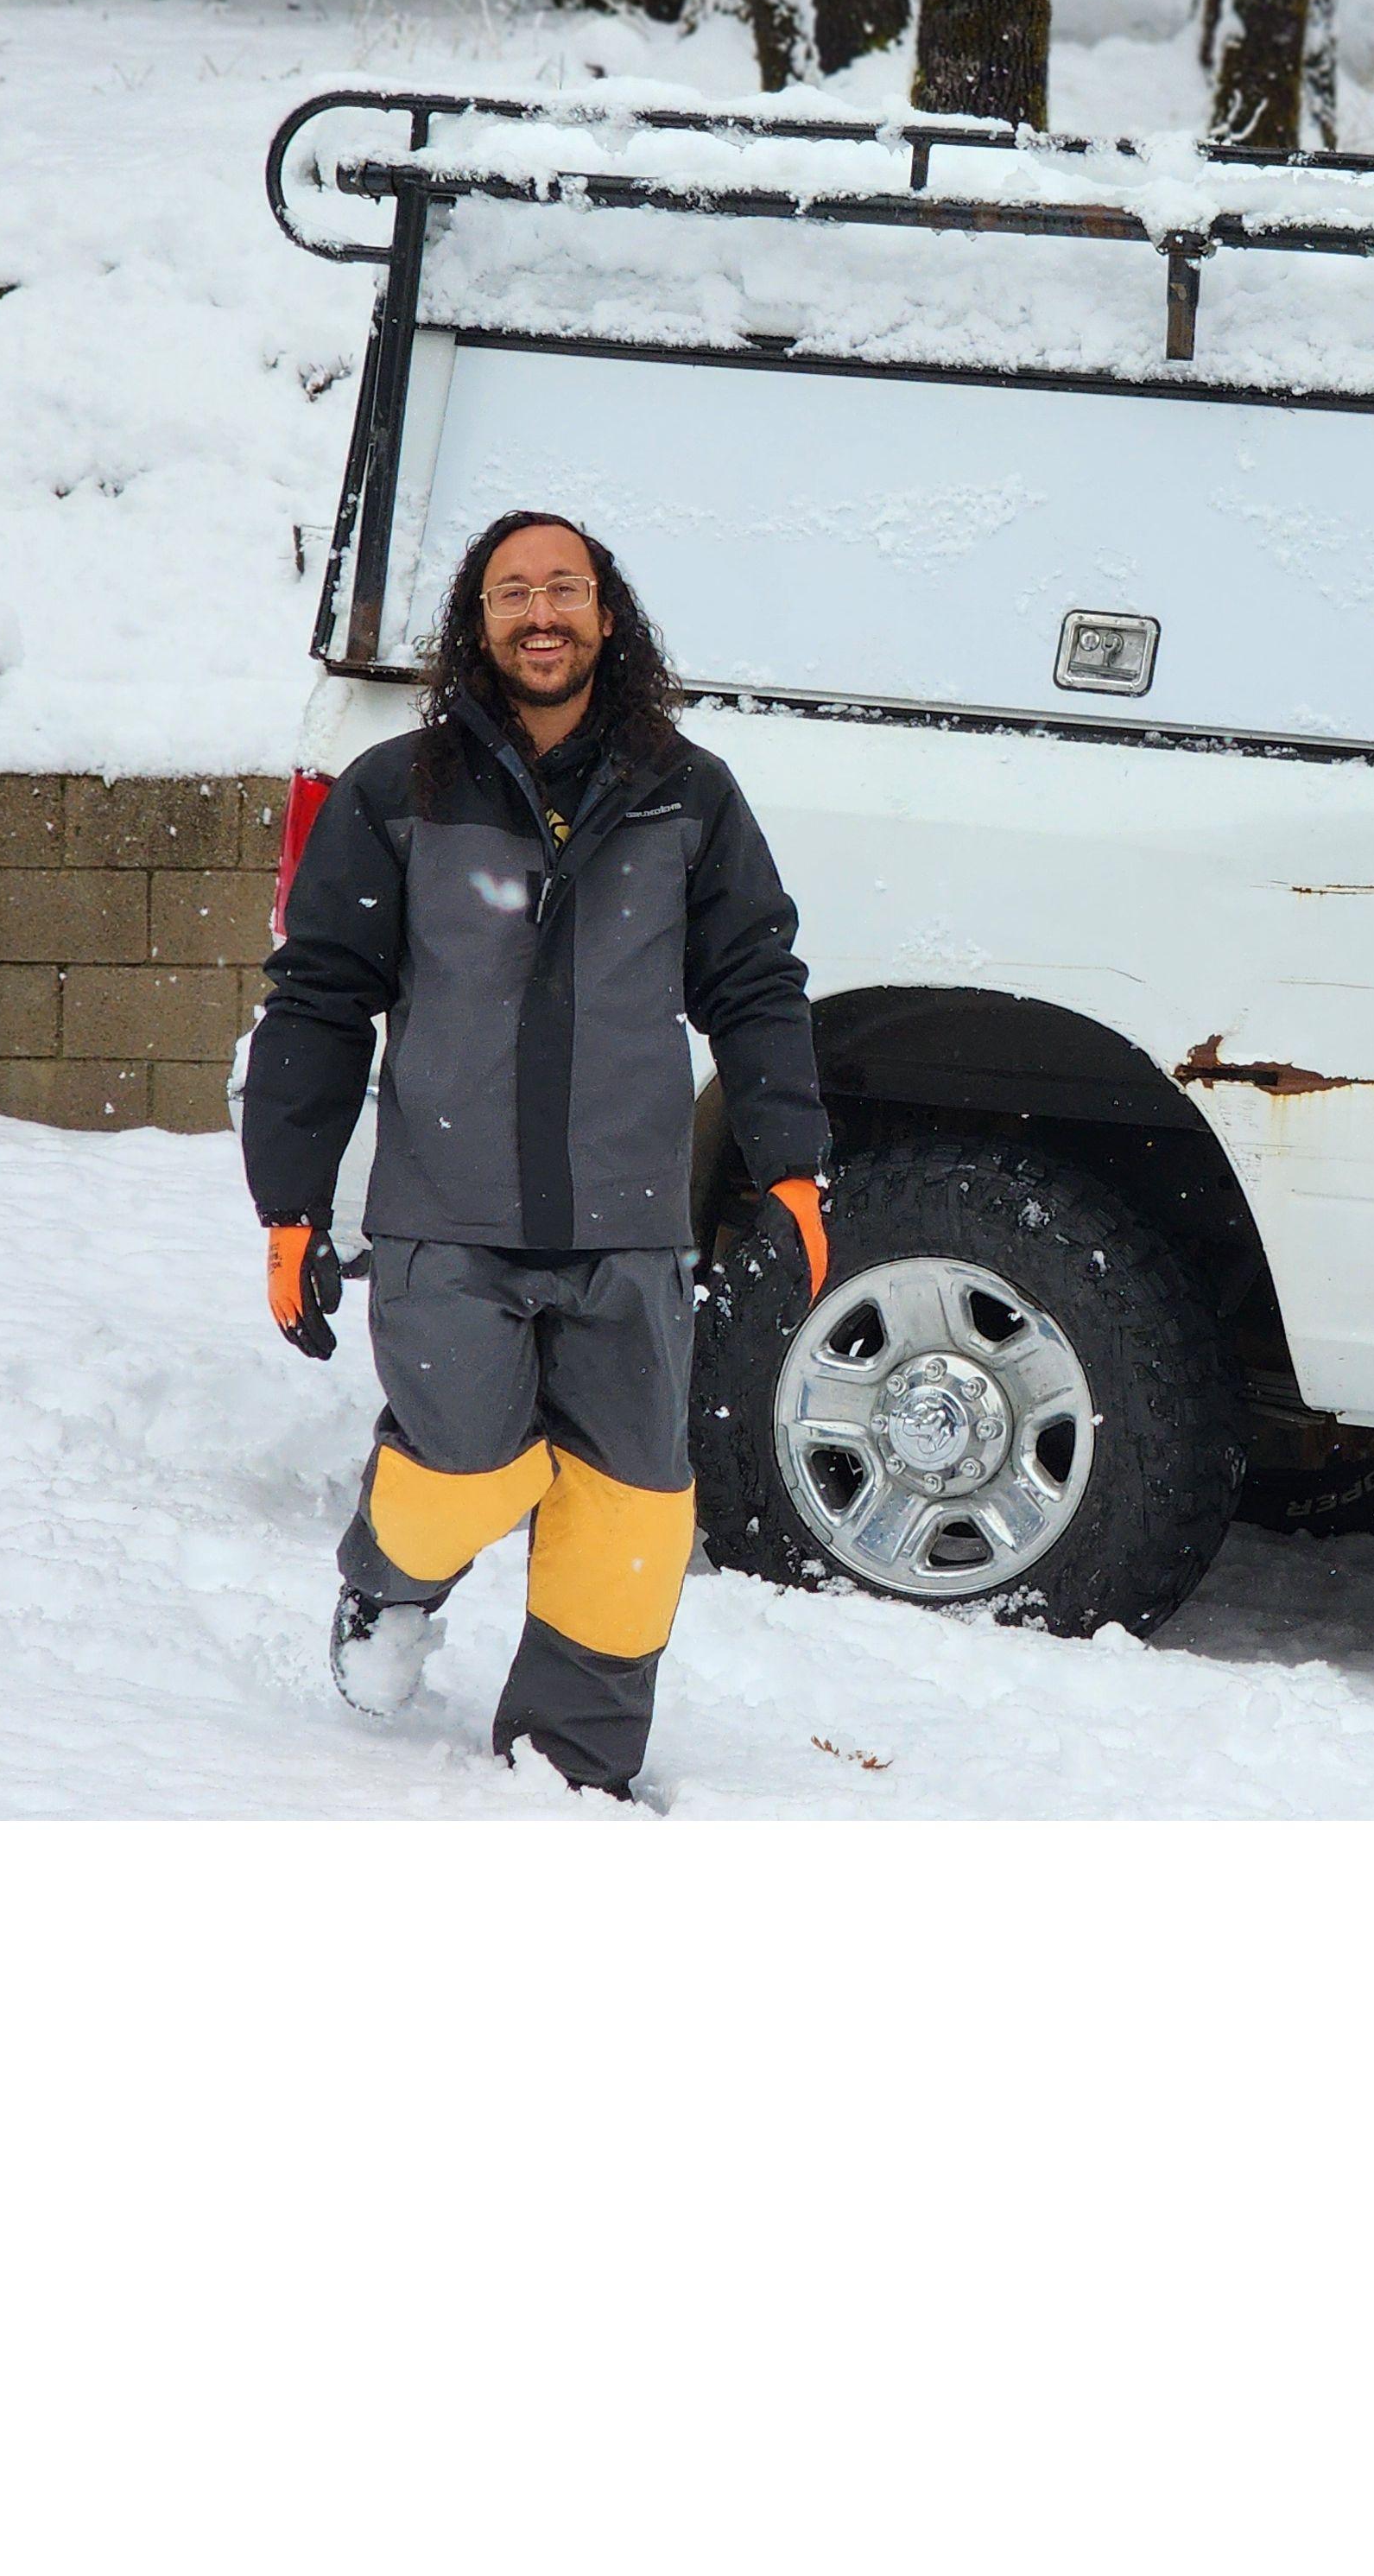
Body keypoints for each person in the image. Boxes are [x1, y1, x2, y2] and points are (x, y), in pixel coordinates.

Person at [241, 507, 830, 1799]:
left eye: (565, 588)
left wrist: (788, 1159)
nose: (542, 612)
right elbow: (322, 997)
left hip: (627, 1222)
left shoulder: (687, 791)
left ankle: (566, 1775)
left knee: (629, 1517)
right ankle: (388, 1586)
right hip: (448, 1218)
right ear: (480, 624)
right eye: (514, 593)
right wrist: (290, 1206)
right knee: (460, 1471)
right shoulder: (401, 793)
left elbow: (755, 979)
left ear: (607, 615)